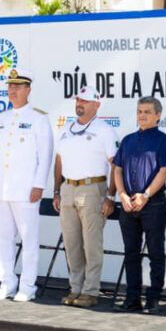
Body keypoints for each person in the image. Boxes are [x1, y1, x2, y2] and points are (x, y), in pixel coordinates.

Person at [0, 69, 54, 302]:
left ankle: (27, 285)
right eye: (10, 86)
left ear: (28, 90)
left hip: (25, 190)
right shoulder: (1, 119)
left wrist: (38, 185)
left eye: (18, 87)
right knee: (4, 238)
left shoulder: (38, 118)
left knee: (29, 239)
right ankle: (7, 283)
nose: (12, 90)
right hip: (2, 189)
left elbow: (45, 156)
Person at [53, 86, 118, 308]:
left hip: (93, 189)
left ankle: (91, 291)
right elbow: (59, 161)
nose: (79, 104)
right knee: (72, 243)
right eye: (78, 100)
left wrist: (111, 196)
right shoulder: (67, 129)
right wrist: (56, 190)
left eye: (85, 100)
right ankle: (76, 288)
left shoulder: (105, 130)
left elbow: (115, 165)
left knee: (91, 244)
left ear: (97, 105)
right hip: (68, 188)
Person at [113, 96, 166, 313]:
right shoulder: (128, 140)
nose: (142, 115)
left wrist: (146, 194)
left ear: (158, 115)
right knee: (131, 253)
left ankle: (154, 298)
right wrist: (121, 194)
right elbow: (117, 169)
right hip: (128, 204)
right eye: (139, 111)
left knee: (155, 252)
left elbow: (164, 170)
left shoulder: (163, 141)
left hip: (153, 204)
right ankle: (132, 298)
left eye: (147, 112)